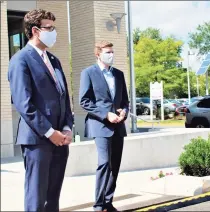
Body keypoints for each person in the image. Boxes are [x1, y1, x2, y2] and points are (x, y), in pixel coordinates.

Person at [8, 9, 73, 211]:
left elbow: (64, 97)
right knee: (37, 197)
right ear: (35, 30)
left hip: (60, 139)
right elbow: (23, 103)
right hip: (37, 140)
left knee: (52, 197)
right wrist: (49, 132)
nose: (54, 32)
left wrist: (67, 127)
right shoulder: (20, 60)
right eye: (49, 28)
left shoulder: (54, 60)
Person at [79, 41, 129, 211]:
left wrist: (124, 112)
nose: (111, 55)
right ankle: (98, 205)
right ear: (98, 54)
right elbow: (84, 101)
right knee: (104, 163)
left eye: (113, 52)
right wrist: (105, 114)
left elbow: (125, 101)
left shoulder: (119, 74)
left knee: (115, 165)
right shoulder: (88, 73)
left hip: (118, 126)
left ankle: (108, 202)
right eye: (108, 52)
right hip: (100, 125)